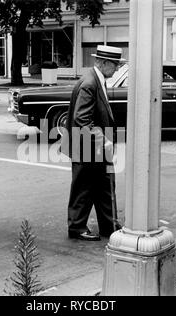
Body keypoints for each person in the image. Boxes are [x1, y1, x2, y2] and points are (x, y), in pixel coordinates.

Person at [63, 45, 126, 241]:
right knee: (84, 188)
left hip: (93, 147)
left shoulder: (96, 80)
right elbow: (82, 119)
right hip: (87, 148)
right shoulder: (90, 83)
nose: (117, 69)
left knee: (104, 185)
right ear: (104, 63)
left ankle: (110, 226)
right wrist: (104, 140)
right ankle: (77, 228)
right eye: (115, 65)